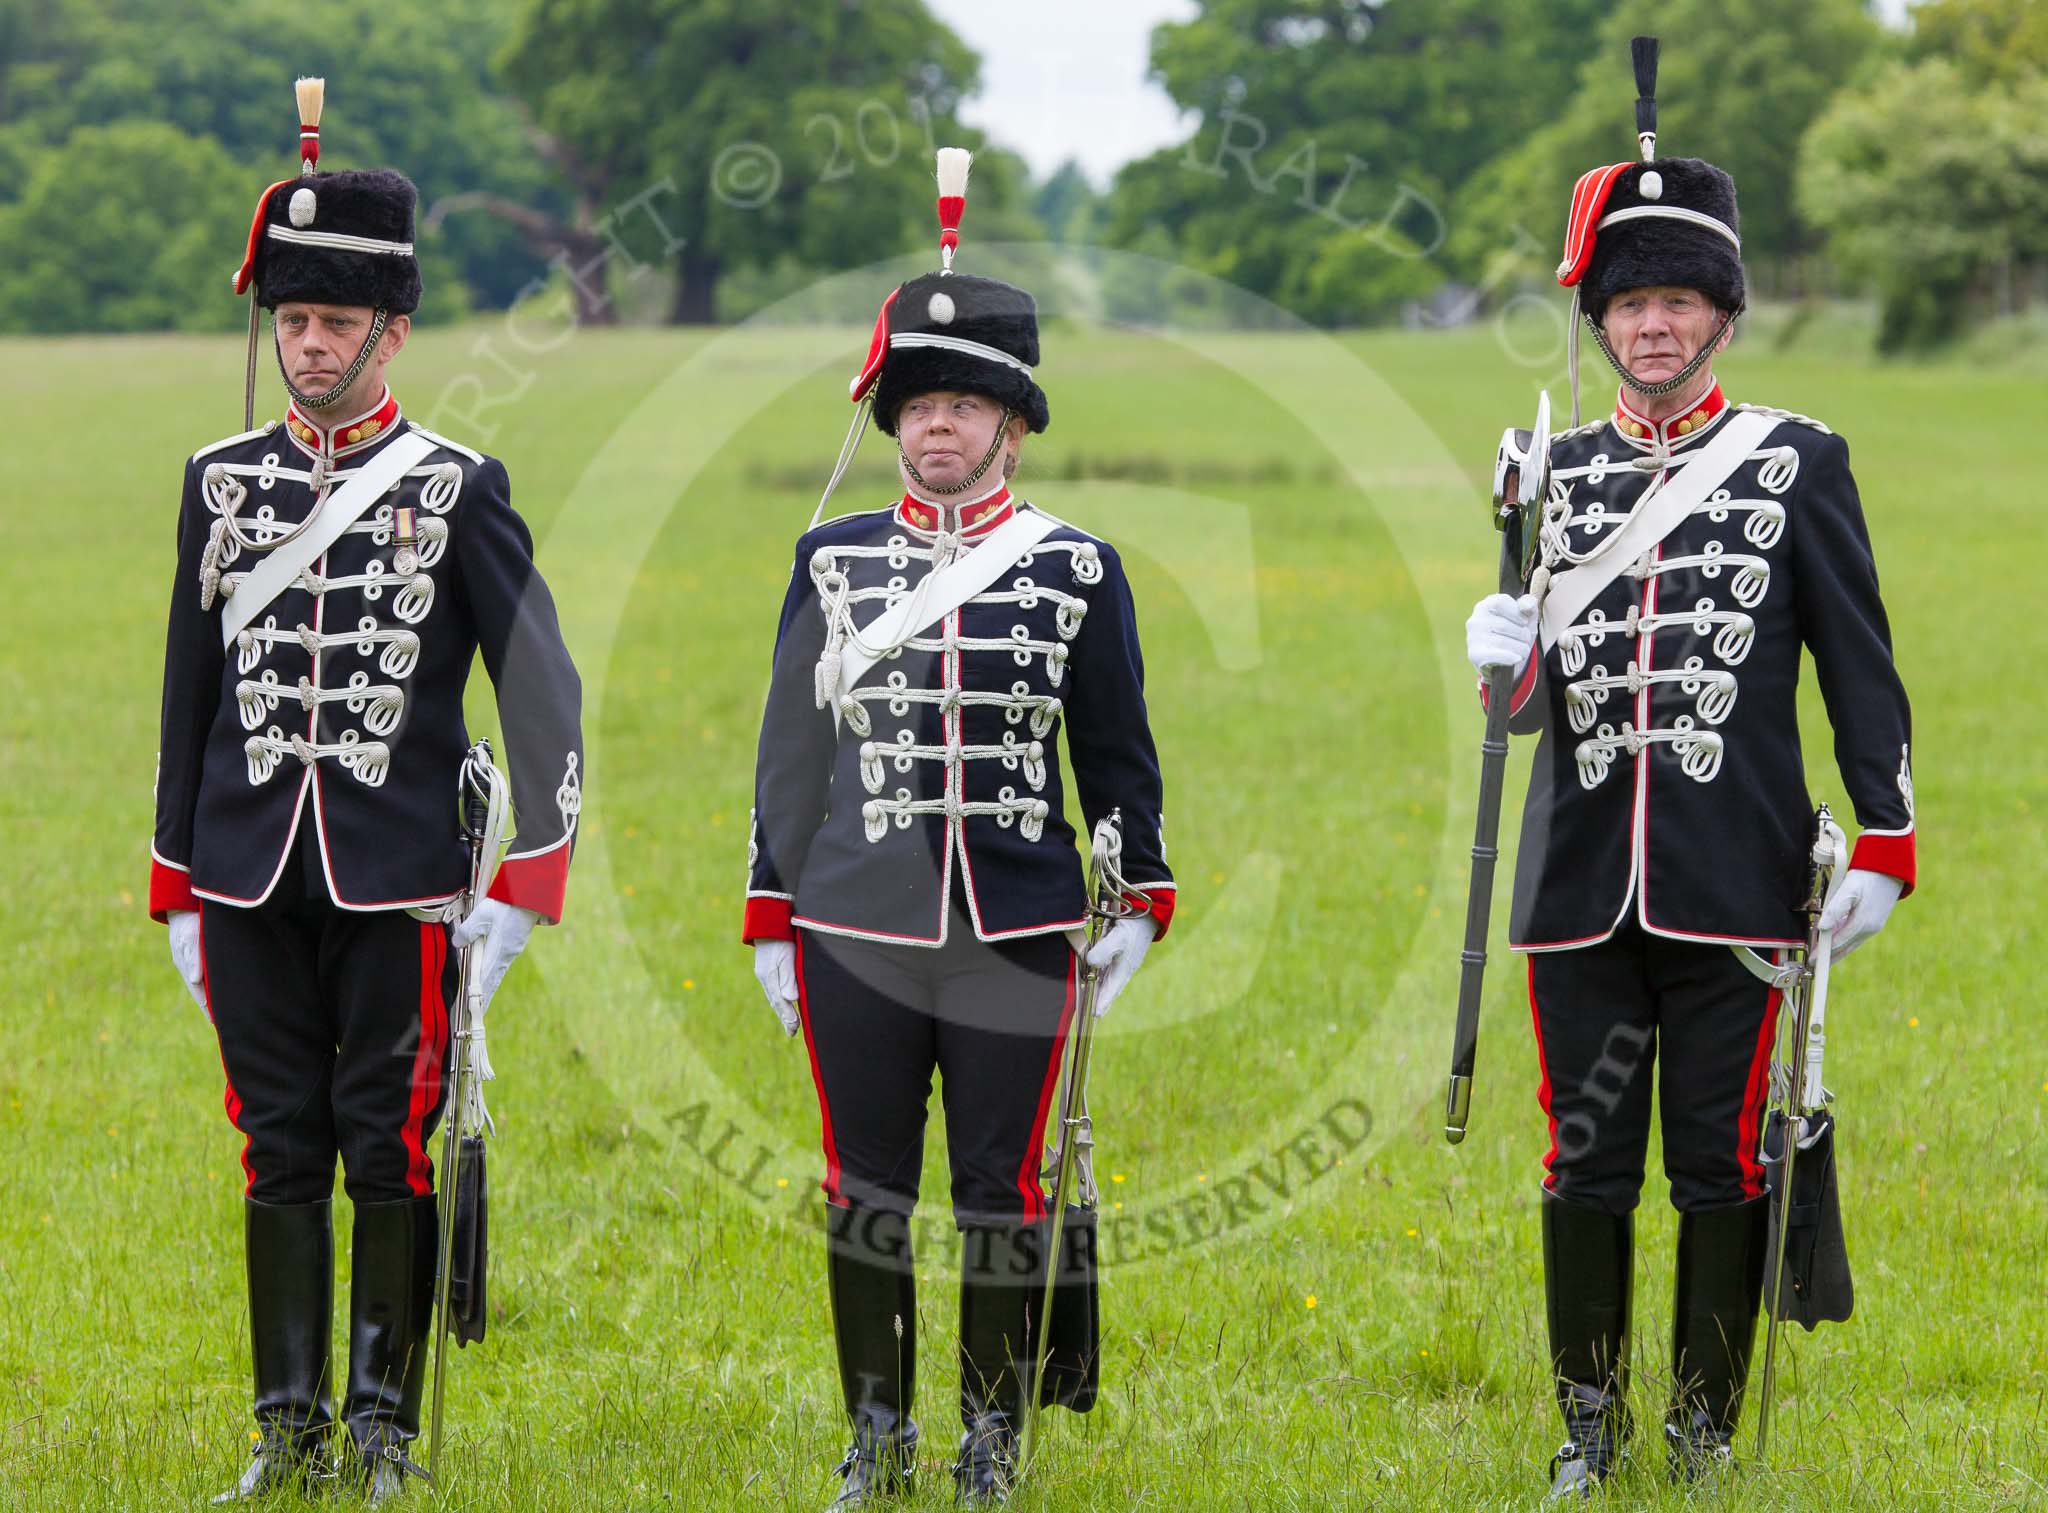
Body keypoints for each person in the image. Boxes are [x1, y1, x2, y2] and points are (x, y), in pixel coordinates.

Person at [1461, 38, 1915, 1497]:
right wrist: (1502, 654)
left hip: (1737, 878)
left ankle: (1704, 1434)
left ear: (1719, 313)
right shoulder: (1558, 472)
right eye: (1629, 304)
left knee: (1721, 1164)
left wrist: (1889, 835)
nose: (1651, 327)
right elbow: (1529, 709)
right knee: (1583, 1167)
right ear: (1602, 321)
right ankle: (1588, 1428)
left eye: (1676, 301)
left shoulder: (1797, 460)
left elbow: (1857, 658)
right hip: (1581, 884)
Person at [149, 78, 583, 1503]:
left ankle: (385, 1424)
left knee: (386, 1148)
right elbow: (187, 691)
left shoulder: (457, 485)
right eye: (290, 320)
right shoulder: (219, 483)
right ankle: (289, 1426)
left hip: (401, 871)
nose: (307, 345)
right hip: (248, 869)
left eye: (334, 322)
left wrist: (527, 883)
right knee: (276, 1148)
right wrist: (175, 877)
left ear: (391, 331)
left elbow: (542, 689)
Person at [743, 150, 1176, 1507]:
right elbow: (788, 755)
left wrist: (1141, 893)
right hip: (853, 921)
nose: (937, 428)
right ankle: (876, 1435)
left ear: (1014, 423)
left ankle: (989, 1437)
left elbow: (1115, 750)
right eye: (919, 403)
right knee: (863, 1188)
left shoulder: (1074, 567)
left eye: (964, 404)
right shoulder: (831, 559)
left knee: (1000, 1187)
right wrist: (771, 906)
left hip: (1018, 919)